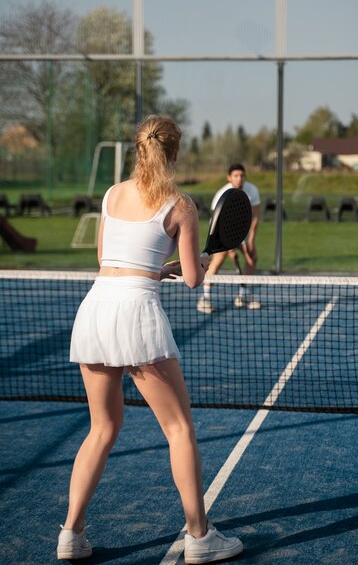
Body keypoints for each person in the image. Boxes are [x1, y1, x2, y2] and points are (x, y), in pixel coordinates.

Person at [57, 116, 243, 564]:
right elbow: (196, 280)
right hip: (135, 311)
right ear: (174, 153)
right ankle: (199, 538)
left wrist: (164, 267)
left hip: (96, 307)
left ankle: (69, 534)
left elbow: (110, 260)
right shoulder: (182, 205)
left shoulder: (112, 194)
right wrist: (189, 262)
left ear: (136, 151)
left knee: (101, 429)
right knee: (179, 429)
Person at [197, 163, 261, 314]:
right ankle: (205, 298)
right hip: (222, 235)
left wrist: (250, 241)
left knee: (253, 258)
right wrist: (230, 247)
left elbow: (255, 217)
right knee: (217, 261)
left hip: (242, 233)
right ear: (229, 177)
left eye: (242, 175)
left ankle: (243, 295)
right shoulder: (221, 195)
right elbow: (218, 223)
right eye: (236, 176)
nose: (240, 179)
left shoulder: (252, 191)